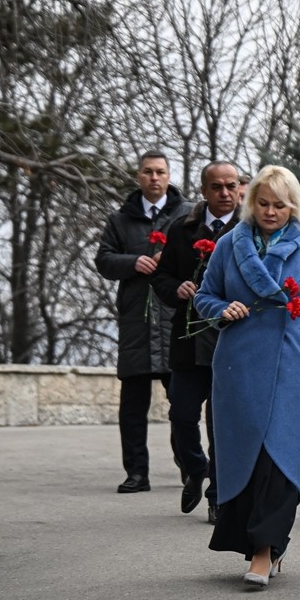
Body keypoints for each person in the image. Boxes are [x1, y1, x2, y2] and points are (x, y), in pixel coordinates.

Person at [194, 165, 300, 589]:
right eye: (263, 203)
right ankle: (257, 545)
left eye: (280, 205)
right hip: (236, 369)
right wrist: (221, 310)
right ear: (250, 202)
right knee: (245, 460)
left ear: (293, 205)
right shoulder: (228, 245)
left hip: (291, 370)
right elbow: (204, 296)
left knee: (280, 459)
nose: (271, 212)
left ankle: (265, 551)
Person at [95, 150, 192, 493]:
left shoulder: (186, 215)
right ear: (139, 176)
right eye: (148, 172)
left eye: (161, 172)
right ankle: (137, 472)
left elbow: (201, 254)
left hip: (174, 320)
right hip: (137, 320)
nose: (154, 178)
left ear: (169, 176)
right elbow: (103, 260)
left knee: (181, 404)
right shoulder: (120, 220)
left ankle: (190, 467)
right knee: (132, 407)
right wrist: (133, 262)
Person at [150, 161, 241, 521]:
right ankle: (195, 469)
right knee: (182, 415)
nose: (224, 193)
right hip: (189, 341)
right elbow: (161, 278)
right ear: (203, 191)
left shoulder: (247, 231)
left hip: (230, 340)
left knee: (221, 424)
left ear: (239, 189)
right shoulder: (183, 229)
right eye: (216, 187)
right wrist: (177, 288)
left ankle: (218, 495)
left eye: (230, 186)